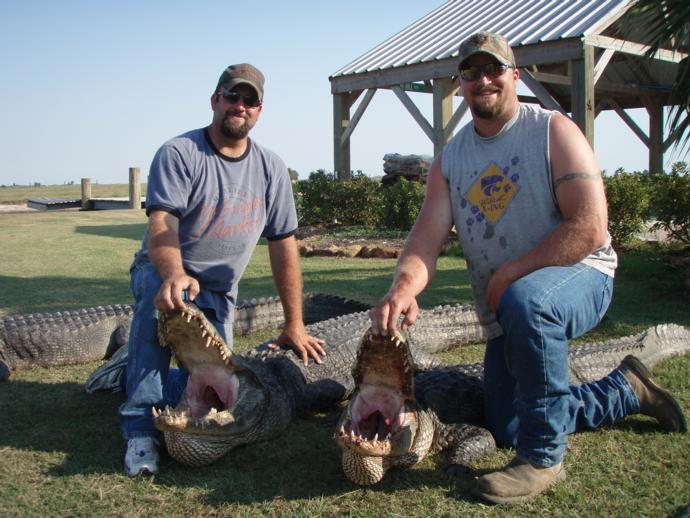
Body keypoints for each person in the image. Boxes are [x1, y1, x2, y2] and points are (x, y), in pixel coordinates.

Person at [369, 32, 687, 505]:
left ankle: (541, 459)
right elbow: (425, 241)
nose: (484, 79)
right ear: (461, 82)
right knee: (507, 423)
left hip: (581, 276)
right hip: (509, 304)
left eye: (494, 69)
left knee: (528, 300)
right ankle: (627, 390)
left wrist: (513, 271)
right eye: (472, 72)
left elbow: (591, 226)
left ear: (515, 75)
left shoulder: (553, 130)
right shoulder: (452, 159)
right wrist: (404, 287)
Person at [115, 63, 325, 476]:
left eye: (251, 100)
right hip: (167, 268)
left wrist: (295, 323)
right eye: (233, 96)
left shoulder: (271, 168)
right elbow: (162, 222)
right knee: (158, 317)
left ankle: (133, 378)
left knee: (219, 386)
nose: (240, 106)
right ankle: (140, 429)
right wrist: (174, 274)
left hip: (219, 291)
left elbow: (284, 244)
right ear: (216, 100)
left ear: (259, 111)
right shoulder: (180, 153)